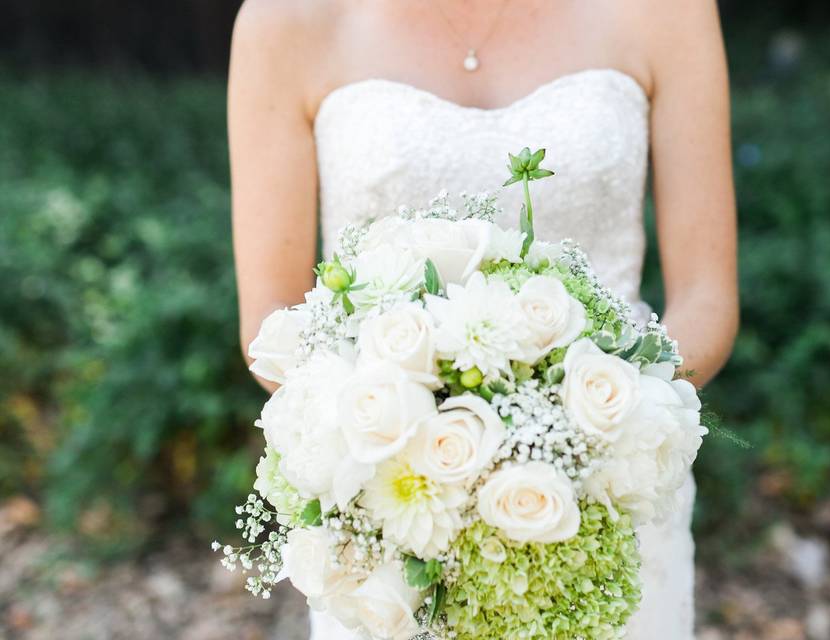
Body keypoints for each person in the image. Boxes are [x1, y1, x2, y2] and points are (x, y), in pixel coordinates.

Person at [229, 1, 738, 637]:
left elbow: (707, 298)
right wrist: (416, 446)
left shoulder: (666, 12)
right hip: (394, 514)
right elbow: (272, 323)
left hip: (608, 491)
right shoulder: (287, 21)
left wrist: (582, 434)